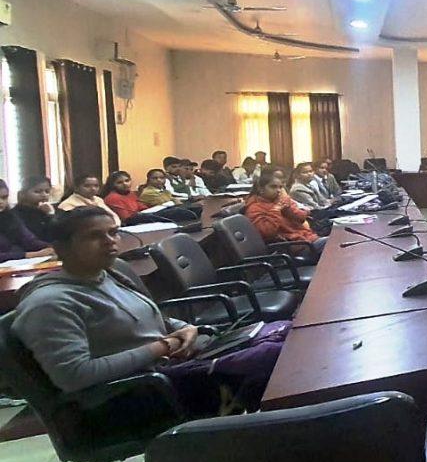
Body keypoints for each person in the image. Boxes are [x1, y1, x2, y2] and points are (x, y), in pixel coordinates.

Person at [12, 207, 287, 414]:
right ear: (61, 248)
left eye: (113, 232)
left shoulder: (110, 273)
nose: (110, 241)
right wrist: (161, 348)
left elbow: (151, 317)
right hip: (137, 395)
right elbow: (74, 376)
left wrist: (183, 328)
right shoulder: (48, 304)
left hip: (169, 367)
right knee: (272, 357)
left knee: (284, 333)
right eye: (95, 236)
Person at [244, 173, 326, 257]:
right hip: (294, 247)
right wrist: (276, 210)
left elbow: (302, 217)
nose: (278, 190)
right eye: (273, 187)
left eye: (280, 187)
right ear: (261, 189)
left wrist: (289, 211)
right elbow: (268, 233)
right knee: (332, 244)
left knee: (333, 241)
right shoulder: (254, 209)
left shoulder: (282, 201)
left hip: (308, 238)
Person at [0, 179, 54, 262]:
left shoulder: (9, 217)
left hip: (18, 265)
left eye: (4, 197)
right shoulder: (18, 212)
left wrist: (52, 247)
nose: (1, 202)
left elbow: (29, 240)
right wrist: (30, 255)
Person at [57, 174, 122, 226]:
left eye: (96, 186)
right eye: (87, 186)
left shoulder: (98, 200)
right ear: (76, 188)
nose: (93, 189)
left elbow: (113, 216)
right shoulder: (67, 204)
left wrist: (115, 226)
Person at [14, 176, 55, 243]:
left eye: (47, 191)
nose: (44, 195)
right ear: (22, 194)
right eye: (37, 192)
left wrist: (50, 215)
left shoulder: (46, 210)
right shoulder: (15, 214)